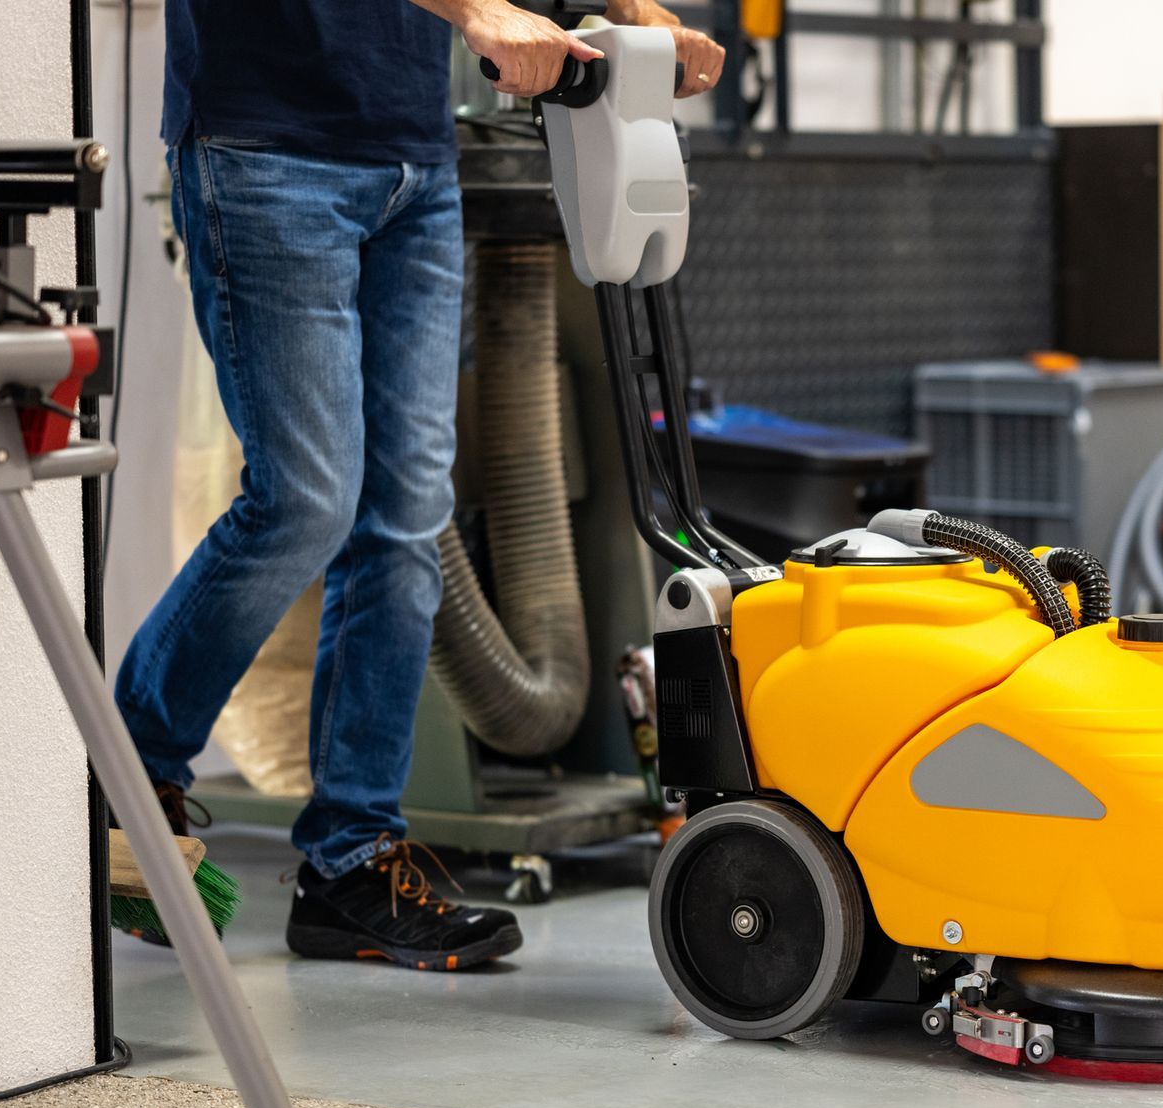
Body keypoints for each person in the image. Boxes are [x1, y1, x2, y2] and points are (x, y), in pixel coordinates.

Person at [116, 0, 723, 970]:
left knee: (403, 520)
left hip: (412, 162)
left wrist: (637, 15)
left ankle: (351, 861)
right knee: (304, 500)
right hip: (262, 147)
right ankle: (129, 768)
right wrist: (482, 10)